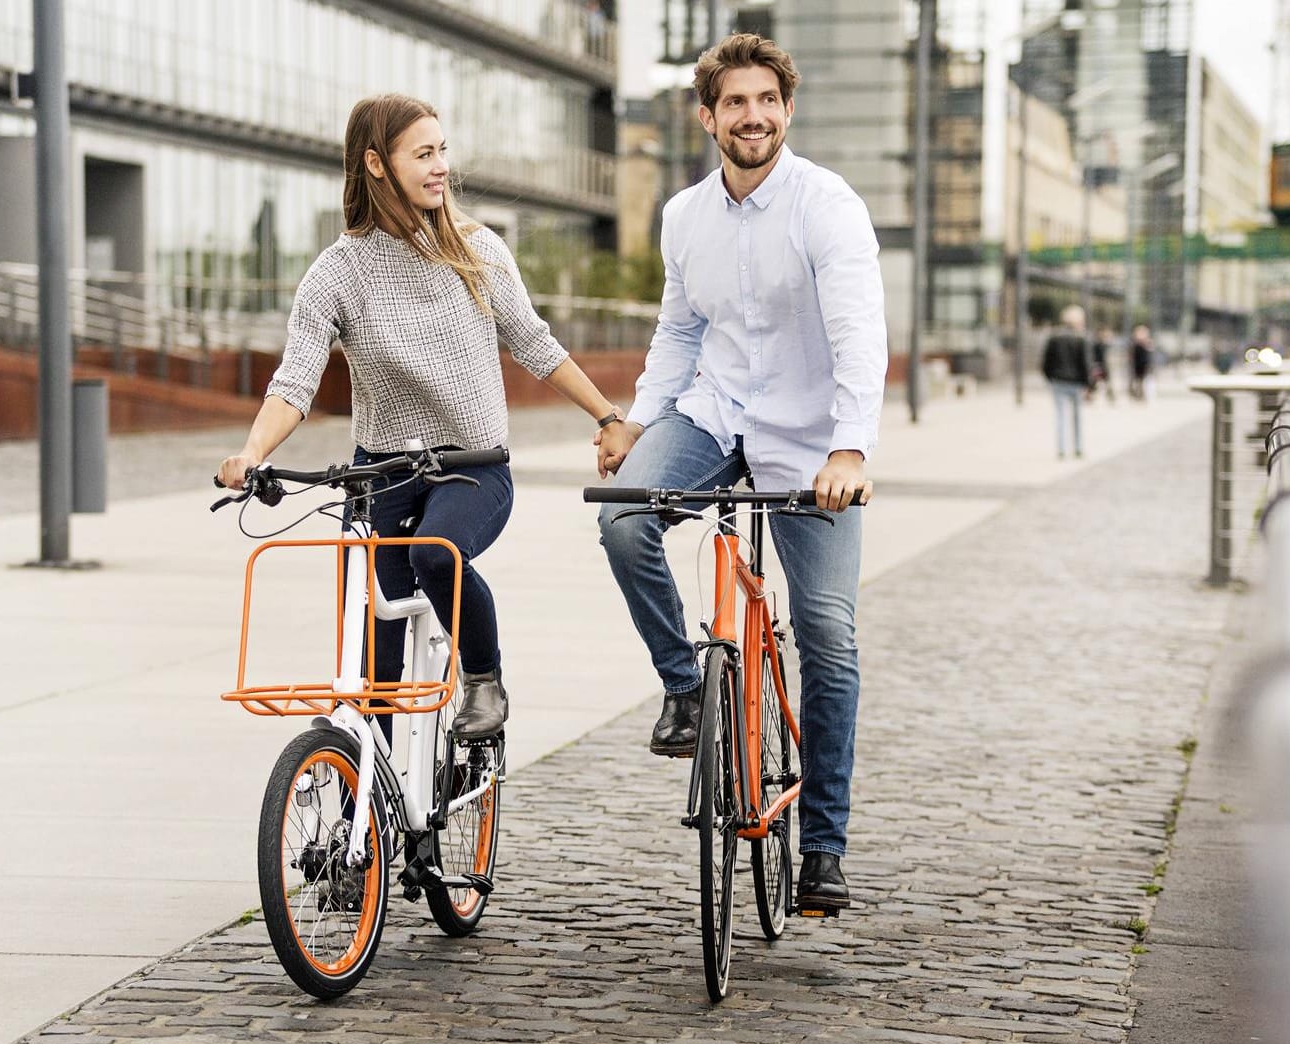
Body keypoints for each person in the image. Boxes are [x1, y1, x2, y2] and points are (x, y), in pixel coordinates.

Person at [217, 93, 623, 741]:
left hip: (472, 468)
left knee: (435, 557)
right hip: (380, 473)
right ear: (376, 164)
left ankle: (484, 682)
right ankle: (366, 814)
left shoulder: (477, 250)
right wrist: (252, 451)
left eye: (442, 152)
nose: (440, 167)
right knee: (373, 660)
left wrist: (608, 417)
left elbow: (534, 344)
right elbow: (293, 383)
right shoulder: (336, 273)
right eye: (423, 154)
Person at [592, 33, 884, 916]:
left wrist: (850, 448)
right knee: (623, 517)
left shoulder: (827, 206)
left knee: (828, 633)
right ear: (708, 115)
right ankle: (686, 688)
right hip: (715, 413)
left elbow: (857, 336)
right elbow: (679, 332)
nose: (752, 116)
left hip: (809, 439)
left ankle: (823, 847)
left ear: (786, 110)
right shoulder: (685, 216)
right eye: (734, 103)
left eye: (767, 101)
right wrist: (639, 422)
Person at [1042, 305, 1090, 459]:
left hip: (1058, 381)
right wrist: (1087, 383)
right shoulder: (1080, 339)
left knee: (1060, 415)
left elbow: (1046, 362)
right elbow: (1085, 364)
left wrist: (1050, 377)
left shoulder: (1054, 338)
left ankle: (1061, 449)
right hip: (1076, 382)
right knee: (1076, 417)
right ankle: (1078, 447)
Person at [1130, 323, 1155, 402]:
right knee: (1137, 380)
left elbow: (1150, 354)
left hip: (1144, 364)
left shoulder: (1147, 344)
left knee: (1144, 380)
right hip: (1137, 364)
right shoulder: (1135, 345)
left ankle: (1142, 395)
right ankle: (1138, 394)